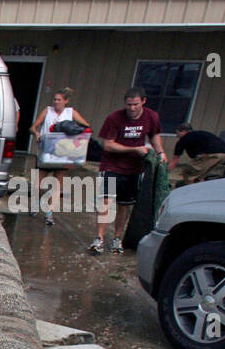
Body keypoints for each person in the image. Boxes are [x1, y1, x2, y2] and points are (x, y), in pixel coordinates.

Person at [94, 87, 164, 255]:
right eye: (128, 105)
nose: (132, 108)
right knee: (105, 202)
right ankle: (99, 238)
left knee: (124, 205)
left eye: (135, 104)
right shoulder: (114, 118)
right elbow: (108, 144)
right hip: (111, 165)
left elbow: (154, 135)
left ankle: (117, 238)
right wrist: (133, 150)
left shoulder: (151, 116)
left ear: (143, 102)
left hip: (134, 168)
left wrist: (161, 153)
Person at [31, 88, 90, 226]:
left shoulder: (71, 113)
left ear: (66, 101)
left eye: (59, 100)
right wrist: (37, 134)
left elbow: (86, 126)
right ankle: (38, 202)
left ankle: (49, 213)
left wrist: (72, 132)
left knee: (57, 184)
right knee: (39, 184)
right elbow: (33, 127)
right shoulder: (47, 111)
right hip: (46, 151)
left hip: (63, 153)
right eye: (55, 99)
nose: (56, 102)